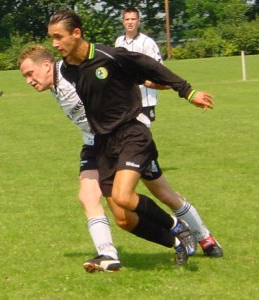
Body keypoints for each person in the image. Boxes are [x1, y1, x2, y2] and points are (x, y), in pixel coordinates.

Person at [47, 10, 223, 266]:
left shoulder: (110, 56)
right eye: (51, 38)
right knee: (122, 216)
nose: (54, 44)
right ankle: (177, 239)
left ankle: (184, 230)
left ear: (76, 33)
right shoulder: (68, 71)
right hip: (104, 145)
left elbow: (150, 66)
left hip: (132, 134)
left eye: (58, 37)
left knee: (127, 196)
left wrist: (187, 91)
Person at [18, 45, 201, 272]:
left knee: (160, 193)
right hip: (95, 143)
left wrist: (165, 85)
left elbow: (120, 74)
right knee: (102, 206)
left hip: (125, 137)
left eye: (29, 74)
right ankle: (112, 254)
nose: (28, 81)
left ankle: (200, 236)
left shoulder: (71, 72)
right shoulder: (53, 84)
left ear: (46, 65)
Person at [115, 7, 165, 124]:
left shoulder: (147, 42)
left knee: (142, 133)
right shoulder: (119, 42)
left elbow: (159, 68)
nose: (130, 22)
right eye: (127, 19)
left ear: (139, 21)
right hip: (125, 98)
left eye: (133, 19)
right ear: (123, 21)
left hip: (145, 98)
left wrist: (154, 83)